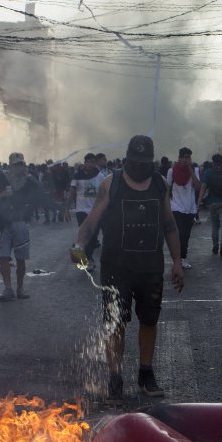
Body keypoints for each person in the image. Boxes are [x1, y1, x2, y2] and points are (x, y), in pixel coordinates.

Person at [70, 134, 184, 399]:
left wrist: (177, 261)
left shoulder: (160, 184)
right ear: (128, 159)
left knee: (149, 320)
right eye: (135, 161)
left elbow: (169, 224)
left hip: (150, 267)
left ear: (151, 161)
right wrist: (79, 245)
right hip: (116, 268)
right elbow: (92, 221)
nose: (140, 166)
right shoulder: (112, 184)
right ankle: (115, 377)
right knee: (115, 323)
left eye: (145, 162)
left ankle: (146, 374)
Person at [0, 153, 50, 301]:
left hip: (20, 222)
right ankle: (7, 288)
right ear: (10, 165)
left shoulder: (29, 180)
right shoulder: (2, 177)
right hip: (3, 224)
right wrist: (2, 194)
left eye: (21, 164)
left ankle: (20, 288)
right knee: (4, 257)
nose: (19, 167)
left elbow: (41, 194)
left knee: (21, 258)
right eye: (16, 165)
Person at [69, 153, 105, 271]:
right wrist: (68, 208)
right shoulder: (77, 175)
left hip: (95, 210)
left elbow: (104, 192)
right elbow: (72, 191)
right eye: (87, 162)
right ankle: (88, 260)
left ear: (95, 163)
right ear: (84, 163)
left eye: (92, 162)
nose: (89, 164)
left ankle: (79, 250)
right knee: (85, 233)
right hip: (81, 210)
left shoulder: (100, 176)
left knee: (93, 237)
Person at [166, 147, 200, 269]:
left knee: (186, 235)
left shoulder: (194, 171)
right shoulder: (171, 171)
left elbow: (197, 187)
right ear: (179, 158)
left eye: (188, 157)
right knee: (179, 234)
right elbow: (168, 188)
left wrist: (190, 170)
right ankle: (178, 259)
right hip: (176, 207)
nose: (186, 160)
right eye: (184, 157)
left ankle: (183, 258)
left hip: (190, 208)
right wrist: (167, 206)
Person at [199, 154, 222, 257]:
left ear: (213, 162)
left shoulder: (209, 172)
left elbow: (203, 187)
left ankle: (215, 246)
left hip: (213, 203)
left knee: (215, 226)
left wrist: (199, 201)